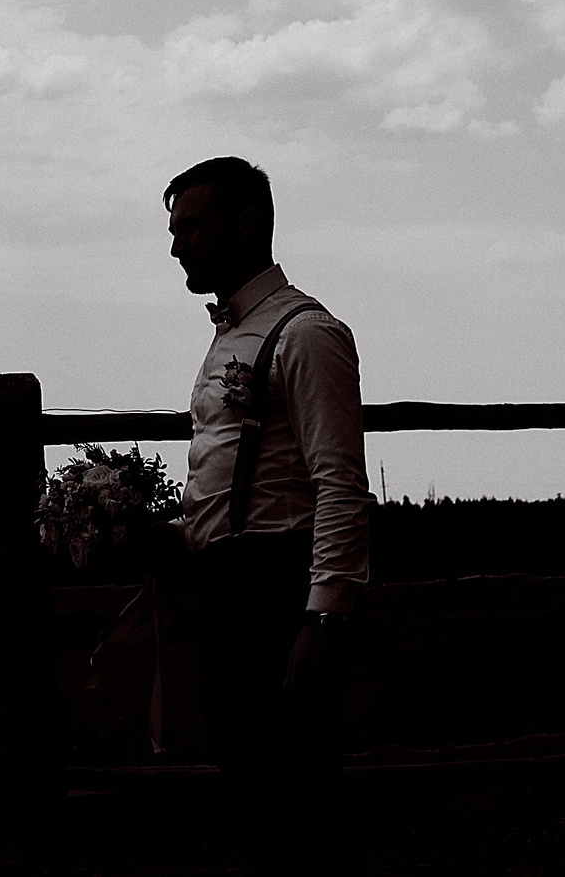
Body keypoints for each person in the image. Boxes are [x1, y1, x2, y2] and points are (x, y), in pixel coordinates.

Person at [164, 156, 367, 848]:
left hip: (276, 595)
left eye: (190, 226)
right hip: (227, 595)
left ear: (245, 223)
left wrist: (323, 616)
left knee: (296, 802)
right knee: (250, 795)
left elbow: (339, 482)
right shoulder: (232, 333)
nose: (175, 244)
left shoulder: (306, 333)